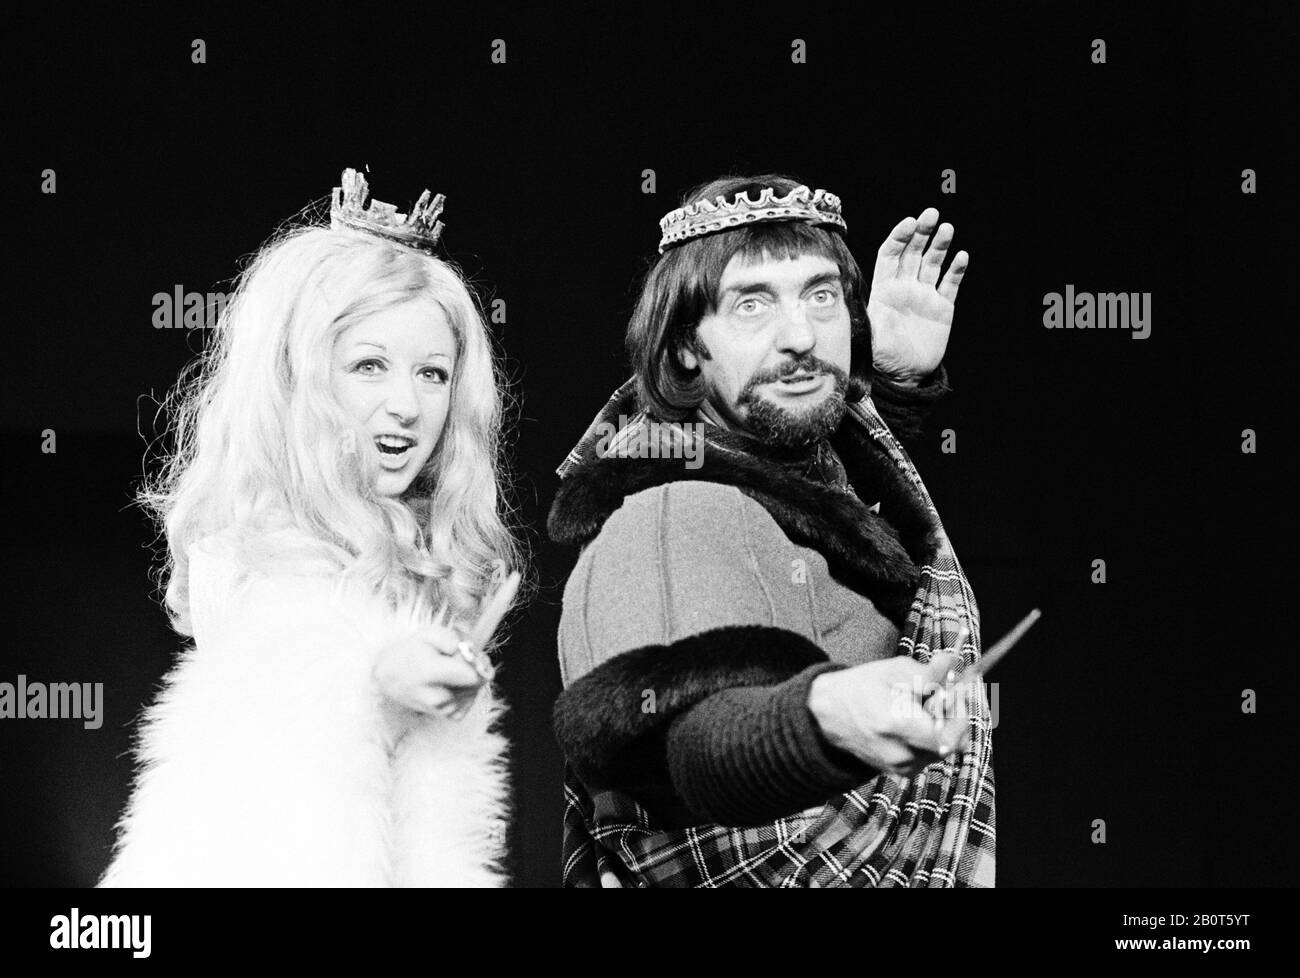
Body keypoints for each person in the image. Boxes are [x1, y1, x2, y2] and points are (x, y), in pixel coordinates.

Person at [548, 173, 994, 887]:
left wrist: (886, 383)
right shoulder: (672, 515)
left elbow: (818, 516)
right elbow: (690, 742)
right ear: (687, 346)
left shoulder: (774, 482)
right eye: (752, 304)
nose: (802, 337)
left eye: (821, 297)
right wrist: (821, 720)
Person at [100, 169, 523, 887]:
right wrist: (391, 671)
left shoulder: (408, 551)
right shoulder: (253, 547)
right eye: (368, 366)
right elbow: (298, 660)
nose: (407, 405)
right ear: (300, 380)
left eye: (432, 373)